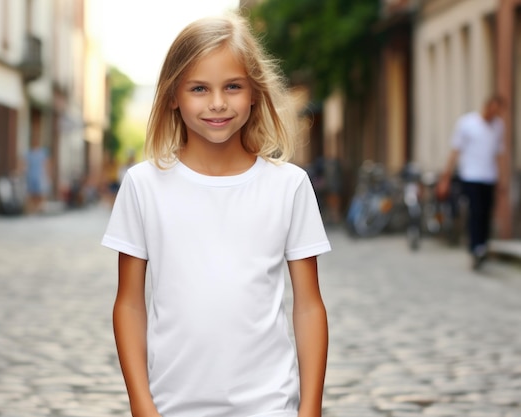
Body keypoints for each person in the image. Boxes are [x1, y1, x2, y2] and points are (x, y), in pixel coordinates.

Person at [101, 13, 331, 417]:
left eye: (233, 87)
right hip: (173, 405)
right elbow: (129, 303)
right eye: (199, 89)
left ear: (254, 92)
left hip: (268, 405)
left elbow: (309, 305)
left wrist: (309, 408)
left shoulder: (288, 186)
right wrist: (142, 404)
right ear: (173, 95)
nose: (218, 103)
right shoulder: (143, 186)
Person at [438, 95, 507, 270]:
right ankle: (475, 246)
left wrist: (501, 178)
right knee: (475, 211)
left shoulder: (499, 127)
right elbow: (455, 151)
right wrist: (446, 177)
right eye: (493, 110)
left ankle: (482, 246)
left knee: (486, 212)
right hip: (470, 175)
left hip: (489, 177)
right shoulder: (467, 123)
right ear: (486, 107)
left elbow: (499, 154)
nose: (495, 114)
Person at [24, 139, 50, 214]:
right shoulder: (29, 153)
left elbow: (46, 164)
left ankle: (40, 207)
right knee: (32, 193)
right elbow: (26, 164)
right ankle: (32, 209)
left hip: (40, 176)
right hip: (31, 175)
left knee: (41, 192)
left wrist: (47, 174)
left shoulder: (42, 153)